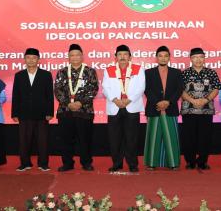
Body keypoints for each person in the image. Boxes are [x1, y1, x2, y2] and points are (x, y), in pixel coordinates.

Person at [54, 44, 99, 172]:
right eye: (72, 55)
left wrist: (80, 103)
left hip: (84, 111)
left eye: (77, 55)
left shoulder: (90, 71)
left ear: (82, 56)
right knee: (66, 139)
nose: (74, 57)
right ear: (68, 57)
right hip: (65, 111)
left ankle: (86, 163)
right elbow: (57, 90)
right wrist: (68, 103)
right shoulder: (62, 72)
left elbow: (93, 89)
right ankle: (67, 163)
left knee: (85, 139)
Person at [102, 45, 145, 173]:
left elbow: (141, 87)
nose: (122, 57)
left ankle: (132, 164)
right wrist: (115, 100)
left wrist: (128, 99)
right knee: (115, 137)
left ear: (130, 57)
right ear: (115, 57)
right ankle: (117, 163)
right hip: (114, 106)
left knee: (132, 137)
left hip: (131, 106)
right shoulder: (108, 70)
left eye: (125, 54)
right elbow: (105, 88)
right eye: (119, 54)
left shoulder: (138, 69)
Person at [12, 48, 54, 172]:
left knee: (43, 140)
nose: (31, 60)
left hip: (42, 114)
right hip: (24, 114)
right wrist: (15, 113)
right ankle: (25, 163)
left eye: (34, 58)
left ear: (38, 60)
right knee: (24, 140)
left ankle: (43, 163)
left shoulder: (46, 75)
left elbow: (49, 96)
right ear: (25, 59)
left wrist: (50, 112)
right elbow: (16, 95)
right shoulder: (19, 75)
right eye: (28, 57)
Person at [181, 47, 221, 170]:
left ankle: (203, 161)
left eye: (201, 57)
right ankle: (190, 161)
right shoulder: (184, 73)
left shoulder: (211, 72)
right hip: (189, 109)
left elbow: (216, 88)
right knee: (189, 137)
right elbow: (180, 90)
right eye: (195, 57)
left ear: (204, 59)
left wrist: (205, 100)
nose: (198, 59)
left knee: (205, 137)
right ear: (191, 59)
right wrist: (193, 100)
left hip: (206, 109)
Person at [143, 46, 183, 170]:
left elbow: (179, 90)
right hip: (154, 108)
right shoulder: (148, 72)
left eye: (166, 56)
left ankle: (173, 163)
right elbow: (146, 89)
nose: (163, 58)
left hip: (170, 108)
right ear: (156, 58)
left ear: (169, 57)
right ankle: (151, 163)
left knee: (171, 136)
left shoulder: (176, 72)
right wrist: (158, 102)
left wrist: (168, 102)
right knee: (153, 137)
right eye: (160, 56)